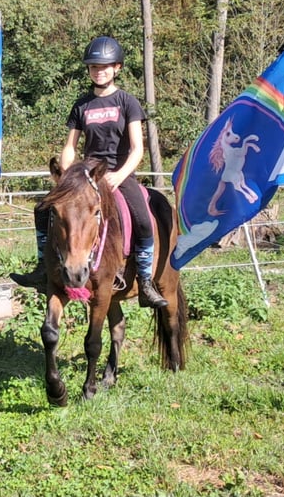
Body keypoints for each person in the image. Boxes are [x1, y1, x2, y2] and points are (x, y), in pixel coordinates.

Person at [10, 35, 168, 309]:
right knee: (42, 209)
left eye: (105, 66)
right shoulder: (82, 105)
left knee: (143, 218)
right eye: (94, 67)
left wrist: (119, 176)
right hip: (86, 176)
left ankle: (144, 281)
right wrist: (67, 175)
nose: (99, 71)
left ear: (117, 68)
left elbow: (137, 149)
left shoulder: (127, 102)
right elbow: (70, 147)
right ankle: (42, 267)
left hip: (119, 174)